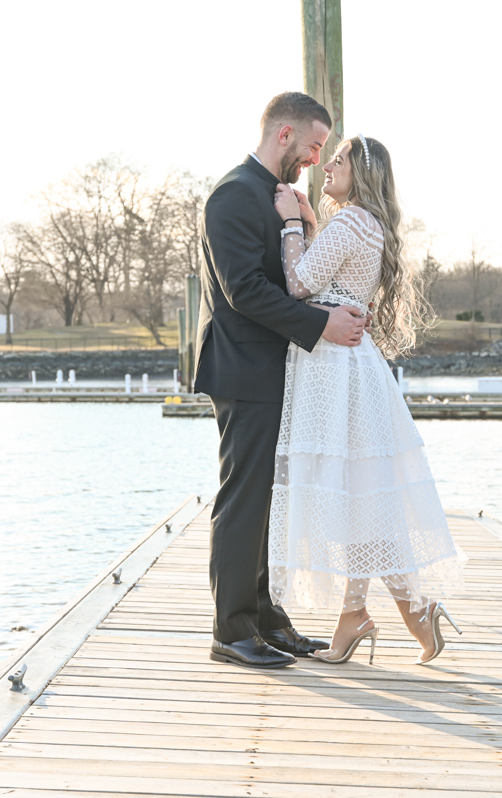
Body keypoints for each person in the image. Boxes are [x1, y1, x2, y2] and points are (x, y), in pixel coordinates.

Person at [268, 134, 466, 665]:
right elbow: (329, 280)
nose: (327, 165)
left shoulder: (353, 220)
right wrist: (311, 223)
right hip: (349, 370)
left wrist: (290, 224)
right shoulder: (361, 223)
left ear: (362, 172)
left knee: (360, 499)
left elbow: (298, 285)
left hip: (335, 375)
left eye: (339, 160)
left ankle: (389, 616)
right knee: (363, 500)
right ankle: (392, 617)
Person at [194, 92, 371, 669]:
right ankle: (230, 629)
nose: (317, 160)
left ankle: (267, 618)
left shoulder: (277, 197)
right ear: (284, 133)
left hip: (277, 369)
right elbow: (244, 290)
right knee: (244, 498)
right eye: (314, 146)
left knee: (271, 502)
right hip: (243, 369)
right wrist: (322, 324)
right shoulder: (232, 196)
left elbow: (294, 275)